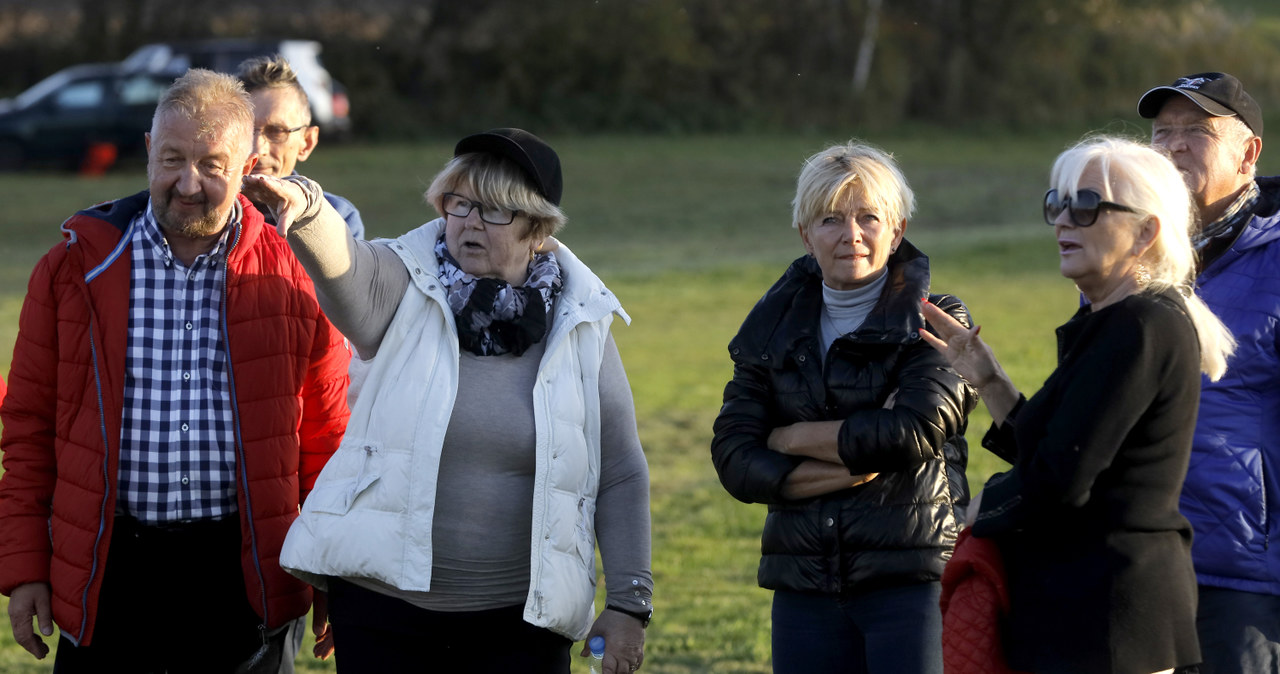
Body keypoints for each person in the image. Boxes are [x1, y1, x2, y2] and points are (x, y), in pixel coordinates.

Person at [240, 127, 653, 674]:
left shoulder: (581, 320)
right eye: (459, 203)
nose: (471, 221)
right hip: (383, 614)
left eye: (495, 210)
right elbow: (348, 268)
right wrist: (310, 210)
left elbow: (621, 468)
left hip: (521, 624)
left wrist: (628, 601)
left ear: (538, 230)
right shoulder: (402, 280)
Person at [0, 69, 351, 672]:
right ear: (147, 152)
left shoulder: (295, 274)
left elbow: (327, 439)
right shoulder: (73, 269)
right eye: (171, 159)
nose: (187, 184)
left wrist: (332, 575)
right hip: (110, 568)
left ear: (249, 167)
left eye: (212, 165)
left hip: (242, 572)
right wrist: (26, 568)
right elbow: (28, 431)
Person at [922, 136, 1237, 674]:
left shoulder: (1139, 326)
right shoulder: (1110, 322)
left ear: (1146, 231)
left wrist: (978, 511)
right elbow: (1055, 448)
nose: (1064, 221)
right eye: (1057, 204)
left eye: (1087, 206)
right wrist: (990, 379)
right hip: (1088, 617)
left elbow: (1060, 480)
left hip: (1111, 623)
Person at [709, 141, 978, 674]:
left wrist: (784, 438)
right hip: (803, 590)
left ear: (897, 230)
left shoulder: (938, 320)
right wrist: (858, 460)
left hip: (913, 586)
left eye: (868, 217)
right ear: (806, 235)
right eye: (830, 219)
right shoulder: (770, 329)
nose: (850, 234)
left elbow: (909, 434)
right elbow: (735, 458)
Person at [1137, 71, 1280, 674]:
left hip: (1243, 574)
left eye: (1195, 131)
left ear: (1247, 154)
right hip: (1135, 560)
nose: (1171, 147)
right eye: (1161, 132)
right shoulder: (1129, 259)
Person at [239, 54, 364, 239]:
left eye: (277, 132)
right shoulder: (204, 211)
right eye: (244, 130)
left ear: (307, 142)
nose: (257, 149)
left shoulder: (338, 218)